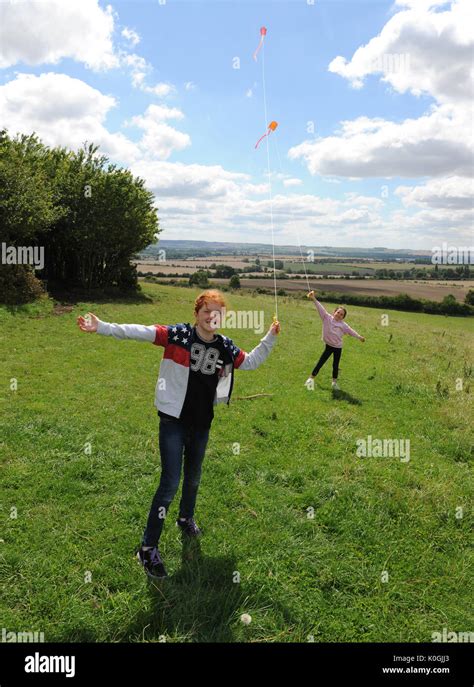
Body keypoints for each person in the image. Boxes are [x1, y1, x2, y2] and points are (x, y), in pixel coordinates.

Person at [77, 289, 280, 579]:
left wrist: (270, 336)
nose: (212, 316)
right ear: (197, 313)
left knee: (194, 477)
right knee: (170, 483)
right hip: (173, 421)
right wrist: (104, 327)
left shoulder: (224, 346)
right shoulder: (179, 336)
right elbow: (142, 332)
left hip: (202, 424)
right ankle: (147, 548)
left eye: (218, 312)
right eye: (207, 311)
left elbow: (250, 361)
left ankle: (185, 518)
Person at [305, 290, 365, 391]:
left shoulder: (343, 325)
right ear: (334, 312)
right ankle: (311, 379)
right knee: (321, 361)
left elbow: (351, 331)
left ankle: (334, 383)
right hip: (328, 345)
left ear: (343, 317)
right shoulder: (326, 317)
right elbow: (320, 308)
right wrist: (313, 298)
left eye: (341, 314)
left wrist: (359, 337)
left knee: (335, 365)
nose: (339, 315)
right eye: (338, 312)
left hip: (338, 347)